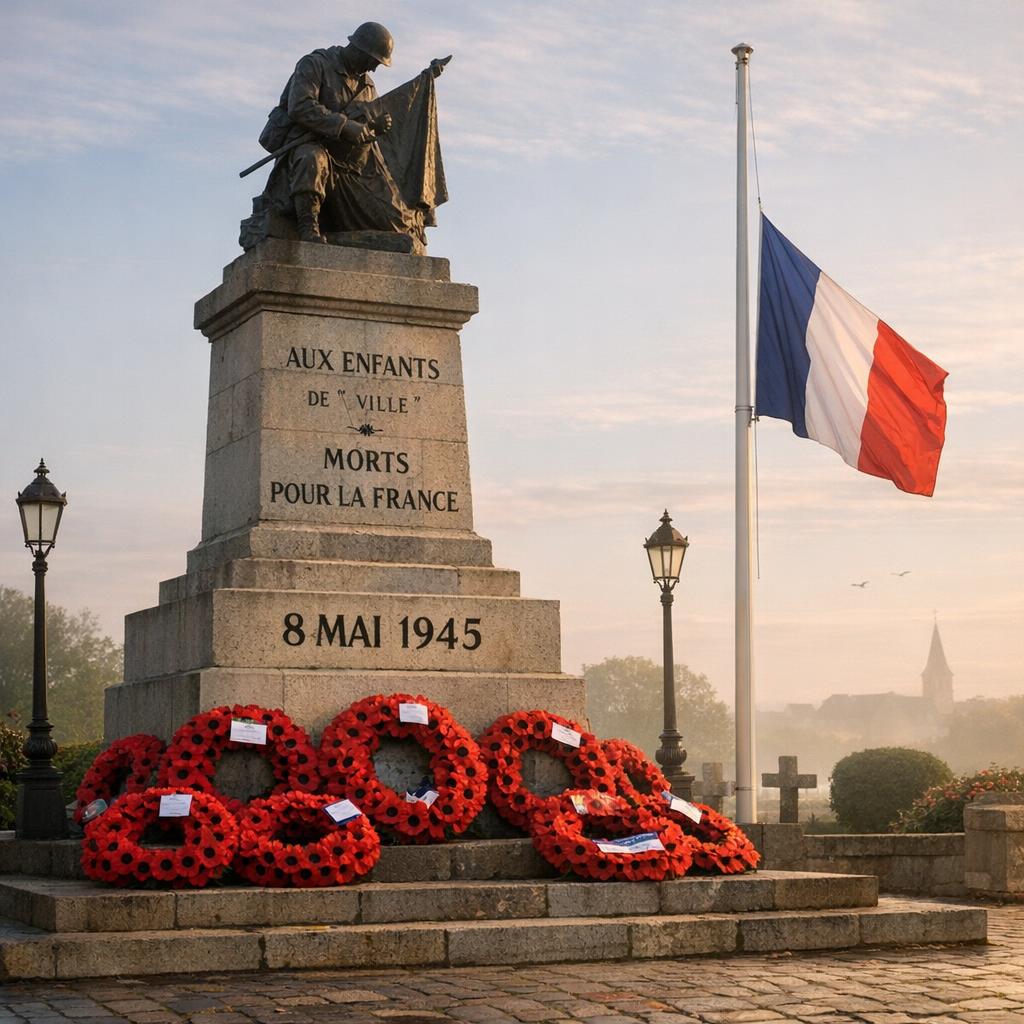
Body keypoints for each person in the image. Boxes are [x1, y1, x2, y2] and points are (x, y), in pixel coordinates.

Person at [240, 23, 448, 254]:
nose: (374, 69)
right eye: (373, 62)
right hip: (308, 153)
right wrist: (345, 126)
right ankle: (308, 228)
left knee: (396, 221)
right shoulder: (315, 64)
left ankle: (343, 239)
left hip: (351, 168)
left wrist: (374, 129)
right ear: (360, 50)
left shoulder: (367, 86)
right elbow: (300, 106)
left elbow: (365, 132)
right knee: (312, 158)